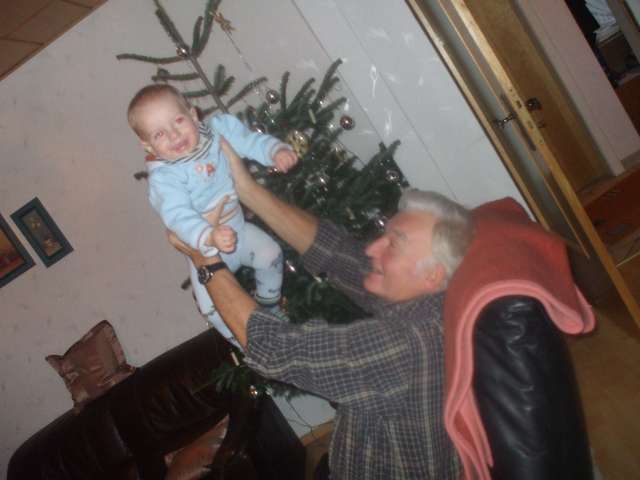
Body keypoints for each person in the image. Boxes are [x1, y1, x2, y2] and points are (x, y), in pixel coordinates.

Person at [167, 138, 473, 479]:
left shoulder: (405, 343)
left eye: (394, 244)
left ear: (432, 274)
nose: (373, 248)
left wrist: (206, 261)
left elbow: (274, 349)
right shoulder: (433, 299)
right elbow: (338, 253)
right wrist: (246, 188)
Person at [127, 84, 297, 346]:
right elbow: (178, 216)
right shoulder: (164, 178)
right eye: (160, 134)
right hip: (207, 251)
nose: (174, 135)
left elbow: (249, 141)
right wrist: (208, 235)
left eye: (178, 121)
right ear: (147, 145)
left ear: (193, 114)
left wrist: (275, 151)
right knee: (211, 309)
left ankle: (270, 307)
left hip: (239, 232)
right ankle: (247, 347)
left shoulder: (217, 132)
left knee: (271, 254)